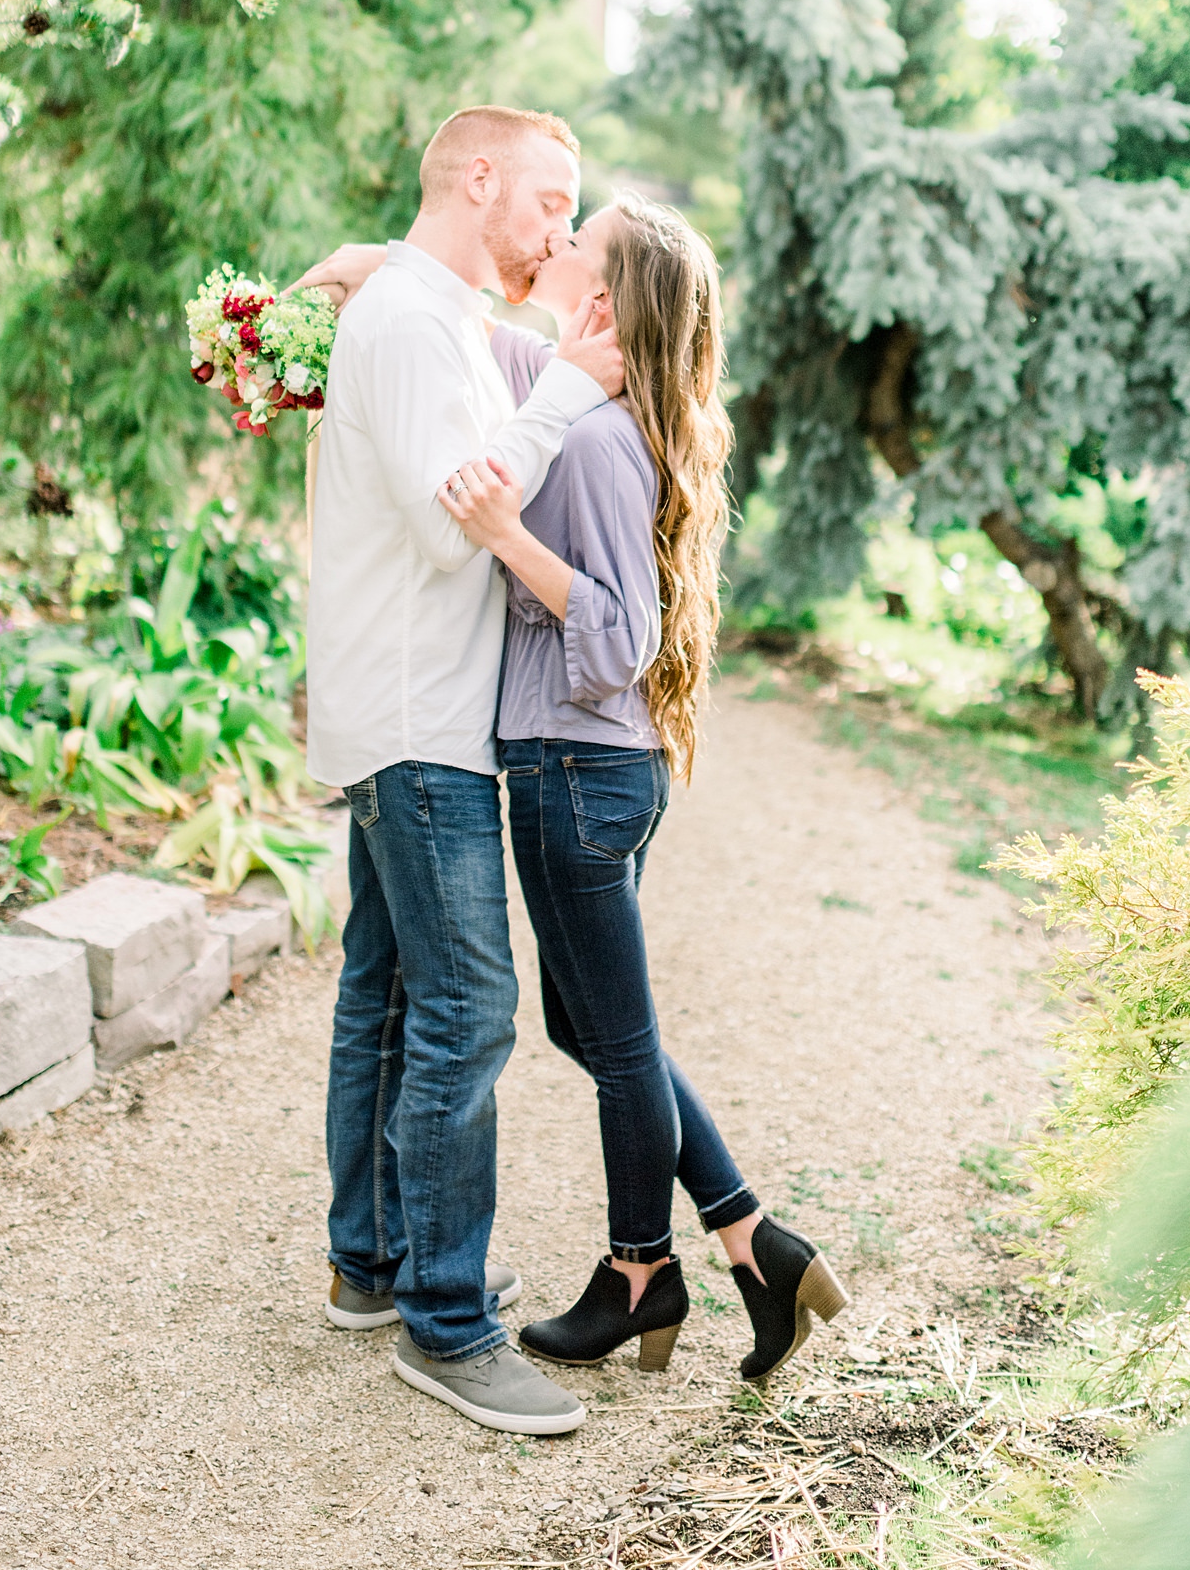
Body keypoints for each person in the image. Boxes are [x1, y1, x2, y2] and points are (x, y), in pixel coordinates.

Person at [436, 194, 849, 1379]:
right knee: (596, 1025)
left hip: (575, 770)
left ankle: (639, 1274)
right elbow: (488, 335)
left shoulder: (602, 441)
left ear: (607, 299)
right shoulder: (585, 398)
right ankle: (753, 1240)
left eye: (578, 241)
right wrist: (378, 270)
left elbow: (620, 634)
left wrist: (504, 534)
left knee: (617, 1043)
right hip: (591, 770)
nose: (554, 247)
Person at [301, 105, 624, 1438]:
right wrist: (569, 395)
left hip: (398, 711)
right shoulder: (417, 324)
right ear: (477, 178)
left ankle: (371, 1263)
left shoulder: (424, 312)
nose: (558, 228)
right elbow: (459, 526)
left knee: (384, 993)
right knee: (471, 1009)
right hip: (420, 723)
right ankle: (446, 1324)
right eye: (549, 200)